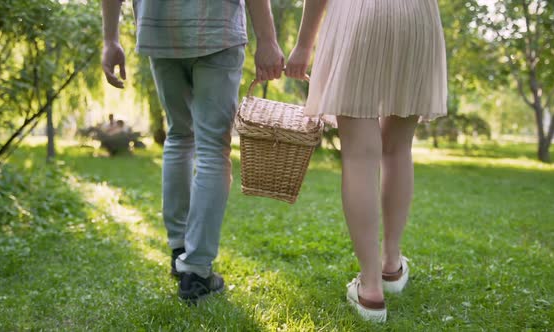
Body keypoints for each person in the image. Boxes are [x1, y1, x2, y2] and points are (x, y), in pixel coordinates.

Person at [101, 0, 284, 301]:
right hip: (216, 28)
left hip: (159, 31)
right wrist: (267, 40)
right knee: (212, 148)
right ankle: (196, 270)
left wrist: (110, 39)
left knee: (178, 136)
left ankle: (179, 250)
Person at [285, 0, 447, 322]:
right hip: (418, 17)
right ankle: (392, 264)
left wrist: (304, 45)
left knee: (360, 157)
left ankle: (371, 288)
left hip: (358, 14)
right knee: (398, 148)